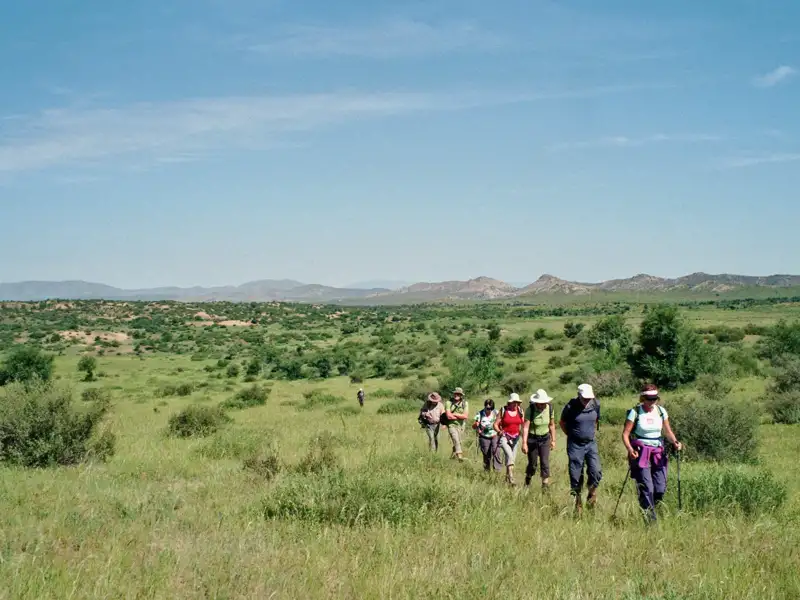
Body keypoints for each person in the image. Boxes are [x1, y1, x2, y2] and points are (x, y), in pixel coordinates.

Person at [622, 384, 683, 523]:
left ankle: (650, 507)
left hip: (658, 451)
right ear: (643, 398)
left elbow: (667, 431)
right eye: (649, 399)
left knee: (660, 488)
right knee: (647, 487)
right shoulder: (635, 412)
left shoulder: (661, 411)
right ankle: (650, 520)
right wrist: (630, 450)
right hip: (640, 451)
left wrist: (675, 442)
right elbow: (625, 434)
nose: (652, 401)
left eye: (655, 398)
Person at [560, 383, 602, 515]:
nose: (587, 400)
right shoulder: (570, 406)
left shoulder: (596, 404)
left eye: (588, 398)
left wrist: (591, 433)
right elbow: (562, 422)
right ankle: (578, 503)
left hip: (590, 443)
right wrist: (571, 435)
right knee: (576, 474)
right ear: (578, 395)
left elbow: (596, 420)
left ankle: (591, 493)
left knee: (596, 471)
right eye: (584, 398)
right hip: (575, 444)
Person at [522, 389, 556, 490]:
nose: (542, 405)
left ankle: (545, 487)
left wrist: (553, 440)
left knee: (545, 462)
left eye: (544, 403)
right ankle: (528, 480)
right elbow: (526, 427)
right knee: (533, 464)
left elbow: (552, 425)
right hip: (532, 439)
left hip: (545, 439)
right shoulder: (530, 410)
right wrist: (524, 443)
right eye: (540, 403)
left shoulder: (549, 409)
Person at [494, 393, 525, 485]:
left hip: (516, 438)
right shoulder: (503, 410)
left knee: (511, 459)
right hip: (505, 437)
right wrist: (499, 431)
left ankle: (507, 479)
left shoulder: (520, 411)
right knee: (510, 456)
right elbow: (495, 424)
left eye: (517, 402)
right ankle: (511, 478)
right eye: (513, 402)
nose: (515, 404)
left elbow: (523, 425)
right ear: (510, 402)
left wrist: (524, 437)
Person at [472, 398, 502, 472]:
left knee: (496, 452)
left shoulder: (496, 412)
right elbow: (473, 426)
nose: (489, 410)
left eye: (490, 408)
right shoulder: (480, 414)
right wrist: (476, 425)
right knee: (486, 454)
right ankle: (486, 470)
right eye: (487, 408)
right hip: (484, 437)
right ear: (485, 406)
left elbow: (500, 423)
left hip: (495, 435)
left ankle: (497, 470)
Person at [443, 387, 469, 461]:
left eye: (458, 394)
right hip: (451, 425)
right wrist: (459, 416)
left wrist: (454, 414)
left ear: (461, 395)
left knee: (459, 442)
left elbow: (465, 416)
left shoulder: (465, 403)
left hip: (461, 425)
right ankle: (460, 457)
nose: (456, 395)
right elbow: (448, 416)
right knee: (456, 439)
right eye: (455, 393)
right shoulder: (448, 403)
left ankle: (452, 457)